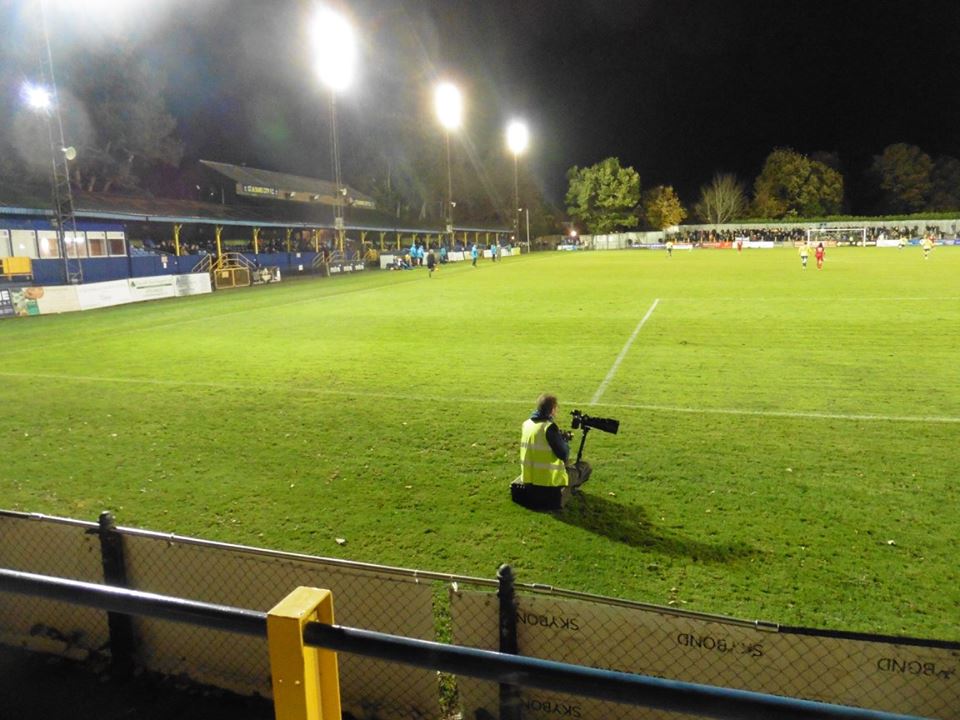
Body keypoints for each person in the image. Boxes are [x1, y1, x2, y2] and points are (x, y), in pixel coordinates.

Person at [517, 393, 592, 508]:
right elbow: (564, 455)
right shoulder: (549, 427)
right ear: (552, 409)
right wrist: (564, 441)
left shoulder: (526, 424)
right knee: (585, 467)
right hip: (549, 482)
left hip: (528, 480)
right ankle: (568, 491)